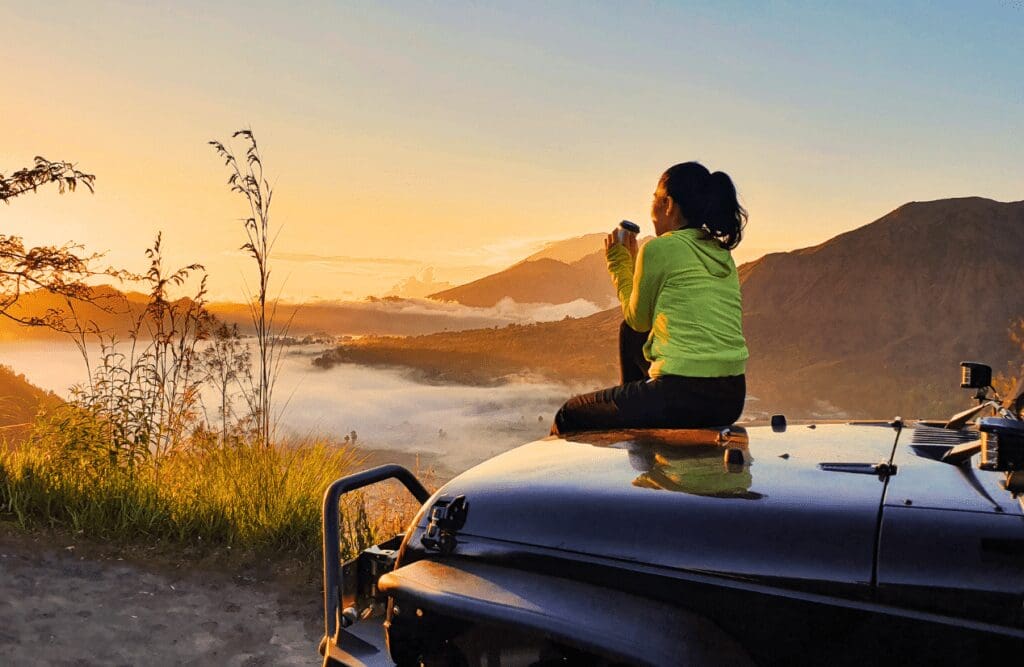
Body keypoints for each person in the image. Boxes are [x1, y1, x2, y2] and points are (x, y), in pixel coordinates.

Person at [550, 162, 748, 435]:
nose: (652, 208)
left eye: (654, 199)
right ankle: (634, 422)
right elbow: (636, 328)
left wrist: (620, 265)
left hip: (681, 396)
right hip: (730, 398)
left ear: (668, 204)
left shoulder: (660, 248)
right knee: (628, 334)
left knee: (567, 416)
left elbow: (637, 319)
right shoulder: (722, 254)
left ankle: (628, 434)